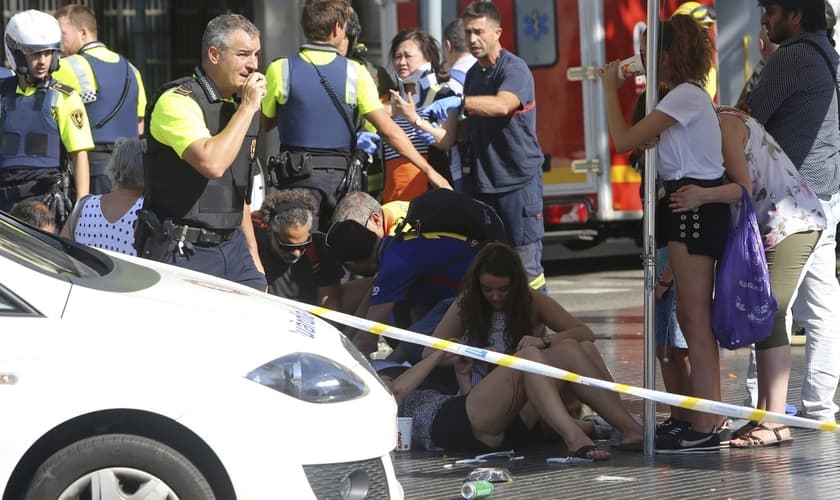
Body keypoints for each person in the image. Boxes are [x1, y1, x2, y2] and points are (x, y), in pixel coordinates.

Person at [599, 14, 729, 453]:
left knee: (695, 323)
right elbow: (643, 142)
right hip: (684, 204)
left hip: (692, 207)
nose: (640, 60)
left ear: (667, 55)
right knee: (691, 321)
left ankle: (708, 423)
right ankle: (700, 417)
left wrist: (606, 88)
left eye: (649, 52)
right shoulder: (681, 98)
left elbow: (622, 138)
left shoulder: (686, 97)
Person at [391, 243, 641, 457]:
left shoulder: (532, 301)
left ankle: (628, 427)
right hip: (486, 392)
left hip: (526, 390)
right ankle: (576, 433)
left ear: (516, 285)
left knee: (574, 348)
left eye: (503, 289)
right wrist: (468, 352)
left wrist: (541, 341)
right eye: (488, 290)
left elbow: (585, 333)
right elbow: (428, 353)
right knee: (529, 359)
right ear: (477, 286)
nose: (496, 297)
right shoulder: (465, 304)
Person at [670, 107, 826, 447]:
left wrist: (700, 194)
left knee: (770, 313)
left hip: (790, 222)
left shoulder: (724, 127)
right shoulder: (720, 121)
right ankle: (763, 416)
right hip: (771, 224)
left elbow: (741, 187)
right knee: (765, 313)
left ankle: (774, 423)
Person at [260, 0, 451, 233]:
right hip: (340, 184)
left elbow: (264, 123)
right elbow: (389, 131)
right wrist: (429, 170)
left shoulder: (280, 69)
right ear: (338, 28)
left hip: (294, 179)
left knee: (297, 250)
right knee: (338, 252)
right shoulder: (356, 72)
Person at [745, 0, 840, 423]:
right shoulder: (830, 56)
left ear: (795, 15)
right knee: (821, 307)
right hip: (826, 194)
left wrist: (762, 70)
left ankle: (756, 405)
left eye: (770, 10)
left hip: (791, 200)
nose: (763, 19)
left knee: (768, 304)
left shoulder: (793, 56)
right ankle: (821, 406)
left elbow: (747, 118)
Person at [137, 13, 266, 290]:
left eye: (256, 54)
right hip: (185, 249)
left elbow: (237, 188)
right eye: (243, 54)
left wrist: (253, 255)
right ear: (214, 55)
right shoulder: (177, 101)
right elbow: (213, 164)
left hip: (234, 248)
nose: (253, 65)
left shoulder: (242, 106)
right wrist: (246, 109)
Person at [455, 1, 546, 292]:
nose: (472, 39)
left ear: (497, 32)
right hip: (484, 185)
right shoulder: (473, 74)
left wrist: (461, 103)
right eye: (468, 32)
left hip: (517, 183)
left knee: (526, 269)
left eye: (479, 31)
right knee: (490, 267)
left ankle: (539, 335)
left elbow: (503, 105)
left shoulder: (514, 69)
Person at [326, 212, 479, 363]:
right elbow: (368, 310)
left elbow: (367, 338)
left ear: (350, 265)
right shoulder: (396, 244)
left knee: (409, 341)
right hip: (468, 285)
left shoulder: (394, 265)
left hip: (475, 295)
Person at [0, 10, 93, 226]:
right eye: (34, 53)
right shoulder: (3, 94)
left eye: (48, 52)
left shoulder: (64, 96)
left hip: (45, 203)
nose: (42, 61)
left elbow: (80, 155)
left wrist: (81, 208)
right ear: (17, 53)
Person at [52, 4, 147, 195]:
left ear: (83, 33)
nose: (58, 42)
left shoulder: (66, 65)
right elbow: (139, 125)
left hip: (92, 171)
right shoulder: (132, 69)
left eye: (62, 34)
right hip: (134, 170)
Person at [384, 29, 460, 202]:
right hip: (393, 195)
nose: (402, 62)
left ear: (428, 58)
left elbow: (446, 141)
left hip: (430, 193)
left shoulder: (443, 94)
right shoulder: (390, 99)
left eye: (408, 56)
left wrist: (415, 120)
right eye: (397, 56)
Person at [255, 188, 345, 307]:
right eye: (288, 246)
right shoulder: (254, 247)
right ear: (270, 231)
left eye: (304, 245)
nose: (297, 253)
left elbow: (330, 305)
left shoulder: (320, 249)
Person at [60, 137, 144, 255]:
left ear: (115, 167)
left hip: (86, 272)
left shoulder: (83, 206)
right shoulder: (148, 214)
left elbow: (61, 251)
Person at [440, 18, 477, 191]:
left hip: (463, 169)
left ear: (448, 46)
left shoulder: (450, 84)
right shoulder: (488, 73)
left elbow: (446, 136)